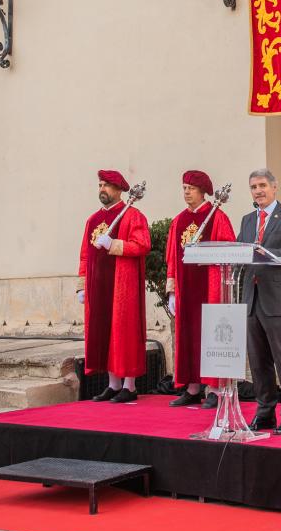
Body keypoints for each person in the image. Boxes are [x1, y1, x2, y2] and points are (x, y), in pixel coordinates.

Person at [237, 168, 281, 434]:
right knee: (258, 361)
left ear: (274, 187)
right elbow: (240, 253)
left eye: (263, 185)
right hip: (251, 298)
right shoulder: (246, 220)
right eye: (254, 187)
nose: (258, 191)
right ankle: (264, 412)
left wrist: (268, 254)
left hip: (277, 299)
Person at [77, 170, 150, 403]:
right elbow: (84, 256)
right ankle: (113, 384)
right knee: (105, 333)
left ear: (119, 190)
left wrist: (115, 244)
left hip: (122, 286)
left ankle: (130, 385)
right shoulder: (92, 220)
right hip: (98, 287)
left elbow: (142, 245)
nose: (102, 189)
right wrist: (81, 285)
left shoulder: (132, 215)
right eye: (100, 185)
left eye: (107, 186)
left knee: (124, 332)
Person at [164, 170, 234, 407]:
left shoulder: (216, 217)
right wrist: (171, 290)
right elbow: (172, 258)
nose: (186, 193)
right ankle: (192, 387)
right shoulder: (179, 221)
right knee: (189, 335)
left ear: (203, 191)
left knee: (209, 334)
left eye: (190, 189)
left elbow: (229, 249)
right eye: (184, 188)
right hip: (186, 287)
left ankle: (213, 388)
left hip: (210, 285)